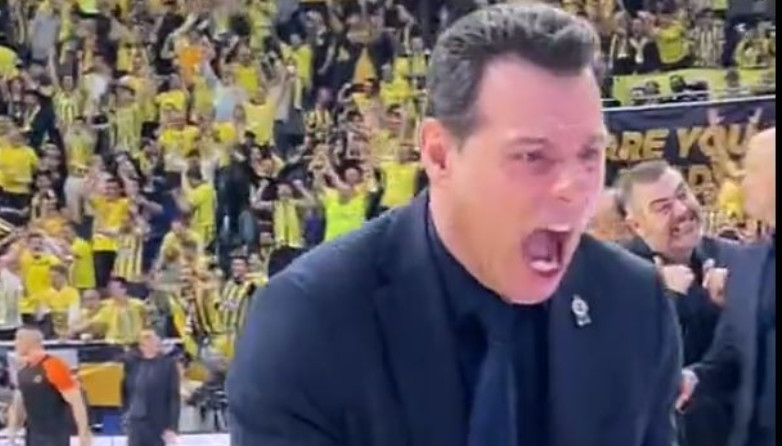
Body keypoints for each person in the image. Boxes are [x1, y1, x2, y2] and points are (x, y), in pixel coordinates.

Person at [227, 4, 680, 446]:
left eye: (589, 154)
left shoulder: (635, 306)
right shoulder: (309, 322)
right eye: (532, 156)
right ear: (440, 154)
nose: (574, 188)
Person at [618, 160, 740, 446]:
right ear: (636, 225)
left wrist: (738, 301)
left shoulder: (736, 259)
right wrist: (662, 296)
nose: (682, 210)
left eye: (683, 195)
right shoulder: (617, 276)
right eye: (663, 207)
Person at [679, 127, 776, 446]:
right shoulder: (746, 263)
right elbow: (730, 353)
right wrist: (693, 377)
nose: (740, 181)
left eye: (749, 170)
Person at [6, 326, 92, 446]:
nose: (15, 343)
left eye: (18, 338)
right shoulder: (23, 370)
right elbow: (19, 402)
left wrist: (83, 433)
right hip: (33, 435)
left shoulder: (54, 365)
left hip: (54, 436)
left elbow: (76, 401)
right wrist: (12, 429)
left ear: (30, 342)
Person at [121, 329, 181, 446]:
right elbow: (126, 390)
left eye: (152, 341)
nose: (149, 344)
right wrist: (126, 413)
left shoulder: (168, 364)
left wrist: (172, 427)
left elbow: (173, 397)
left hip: (157, 423)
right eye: (145, 342)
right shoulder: (132, 363)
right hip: (135, 422)